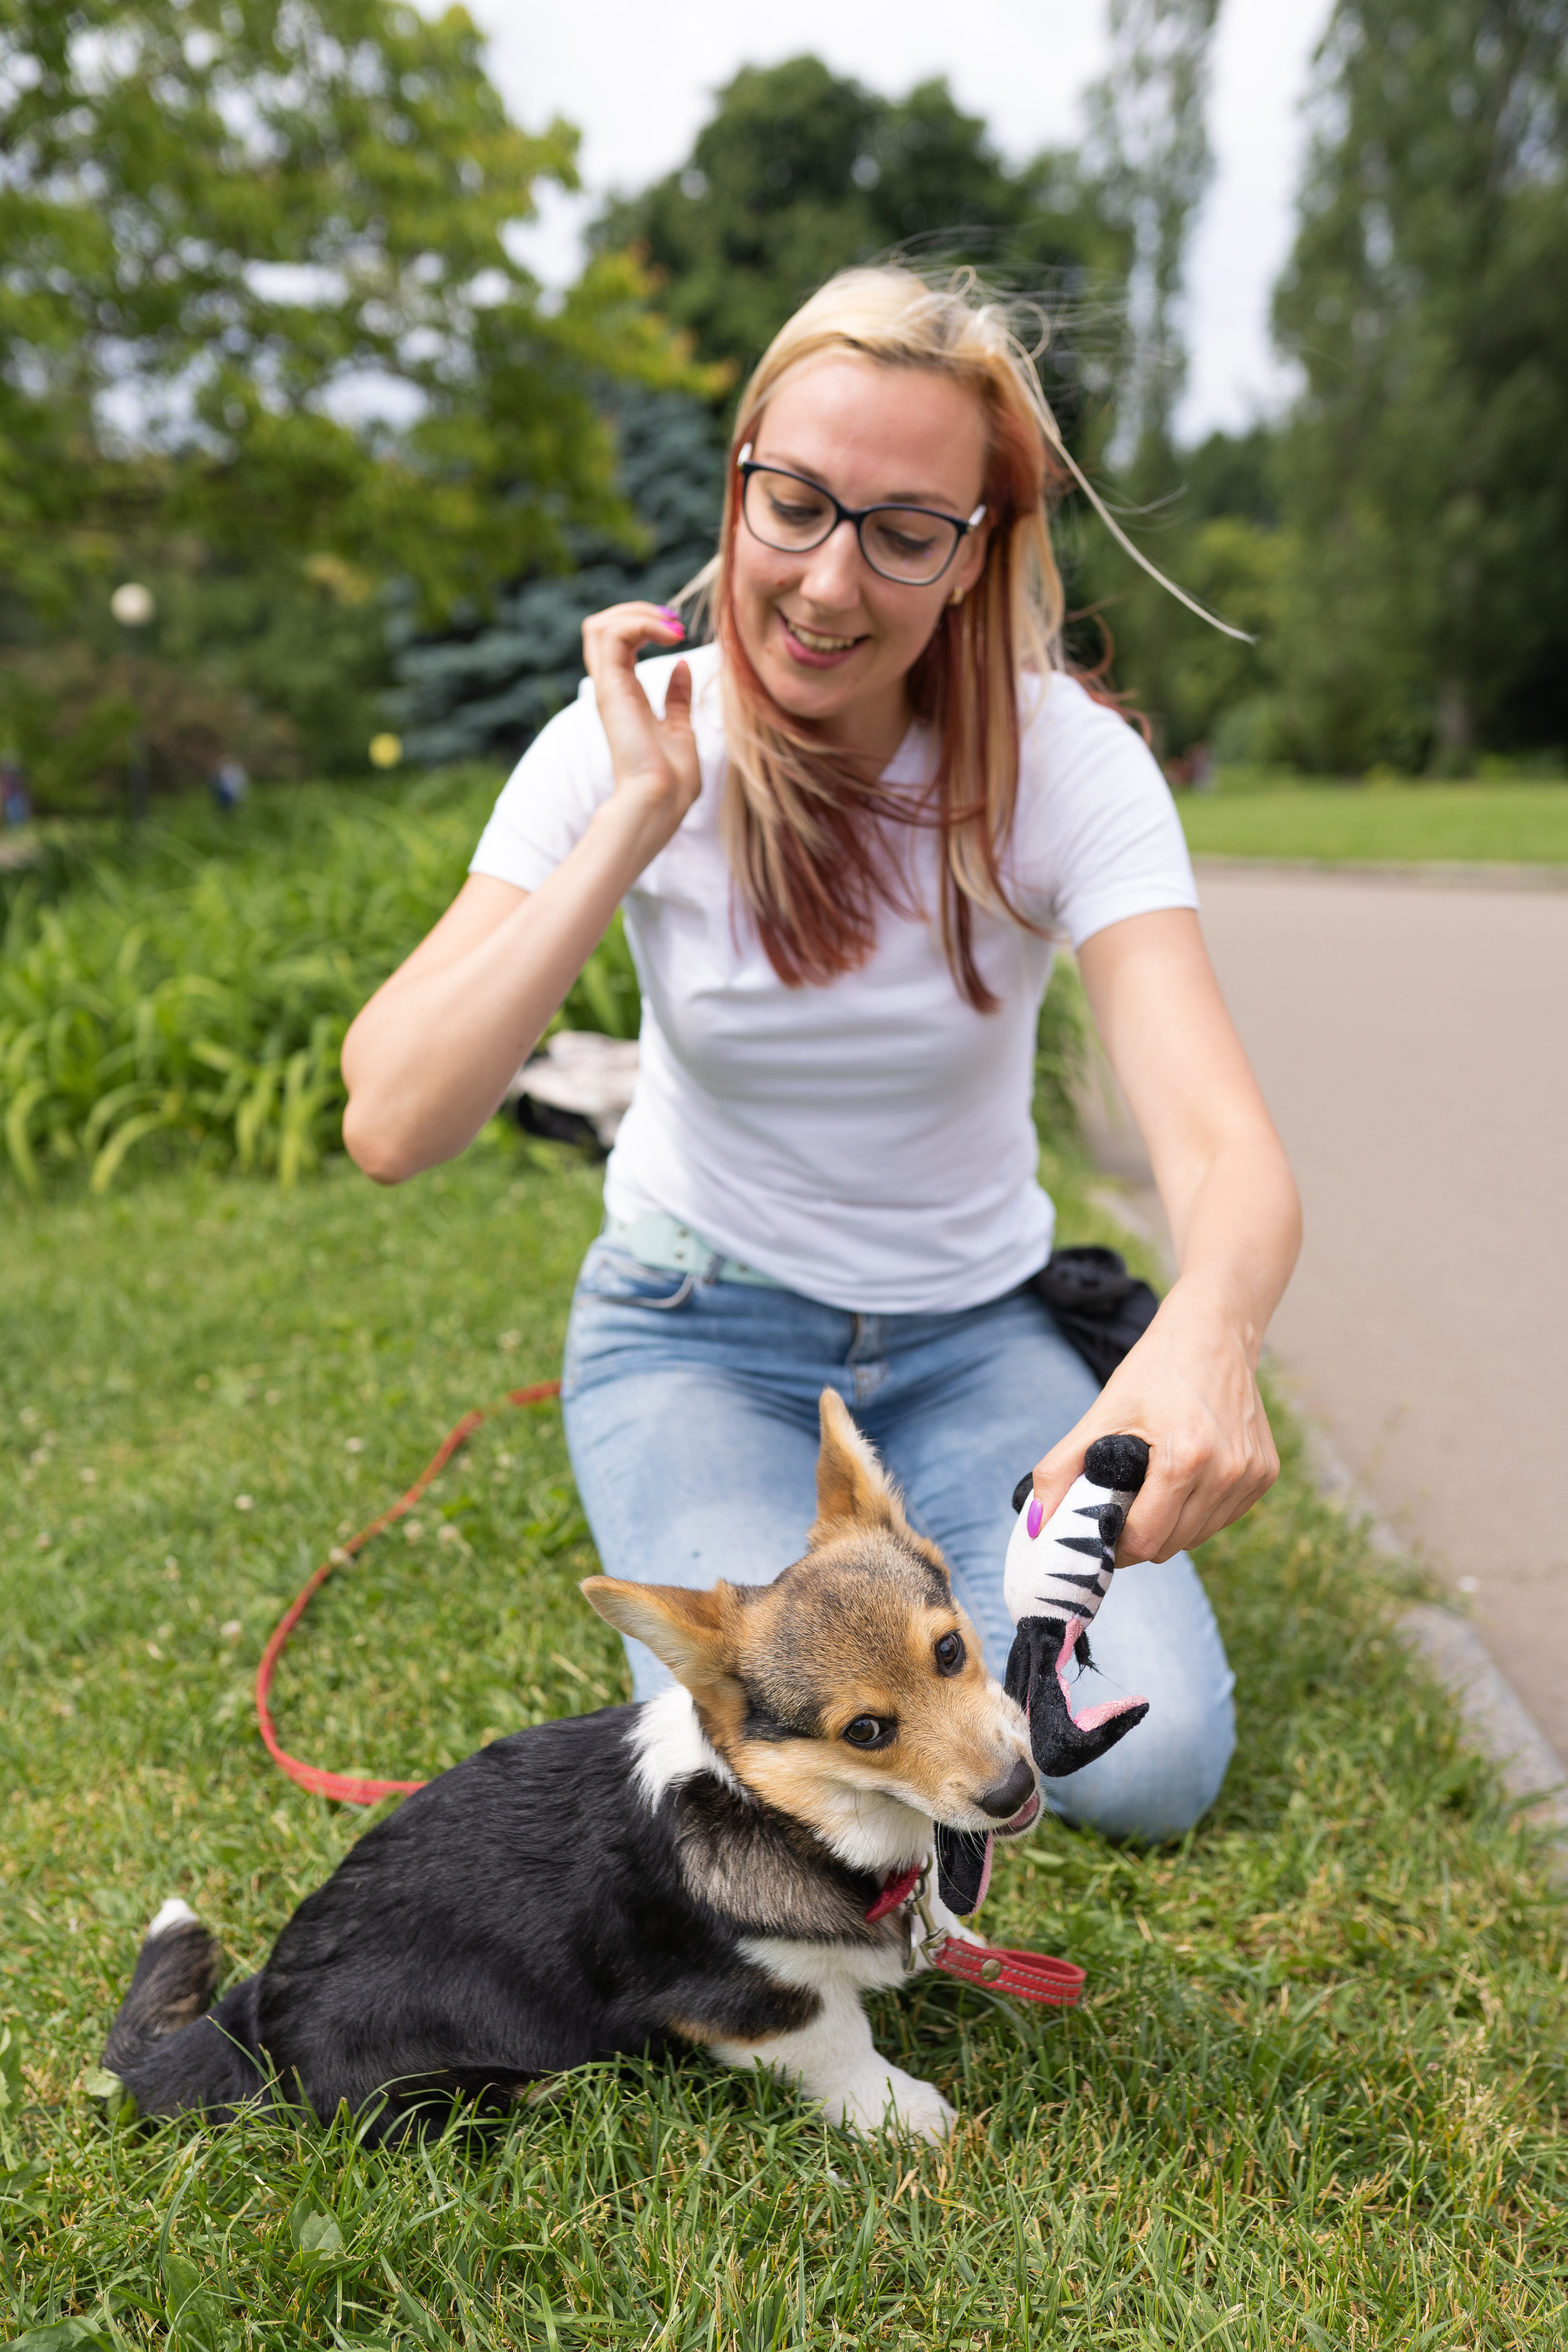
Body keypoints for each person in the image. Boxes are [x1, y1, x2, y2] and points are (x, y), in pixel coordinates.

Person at [341, 268, 1300, 1842]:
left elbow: (1218, 1147)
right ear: (739, 485)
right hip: (696, 1331)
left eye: (902, 530)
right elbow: (393, 1117)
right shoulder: (622, 737)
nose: (828, 583)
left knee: (1145, 1766)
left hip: (972, 1333)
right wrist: (632, 817)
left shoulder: (1062, 762)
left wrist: (1205, 1338)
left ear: (971, 552)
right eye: (792, 504)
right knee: (765, 1782)